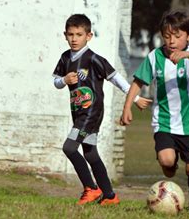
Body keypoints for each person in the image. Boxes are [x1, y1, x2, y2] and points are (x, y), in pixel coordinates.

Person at [53, 14, 151, 206]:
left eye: (79, 34)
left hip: (92, 113)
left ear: (88, 36)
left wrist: (136, 98)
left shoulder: (94, 59)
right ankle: (110, 195)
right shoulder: (65, 58)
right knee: (90, 153)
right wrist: (64, 80)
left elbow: (116, 78)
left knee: (69, 147)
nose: (74, 39)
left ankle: (91, 188)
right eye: (71, 34)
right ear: (65, 35)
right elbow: (55, 81)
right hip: (78, 112)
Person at [121, 10, 189, 213]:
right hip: (164, 121)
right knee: (167, 162)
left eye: (177, 36)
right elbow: (138, 82)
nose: (171, 41)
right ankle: (171, 164)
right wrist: (127, 107)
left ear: (188, 36)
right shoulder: (154, 57)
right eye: (167, 36)